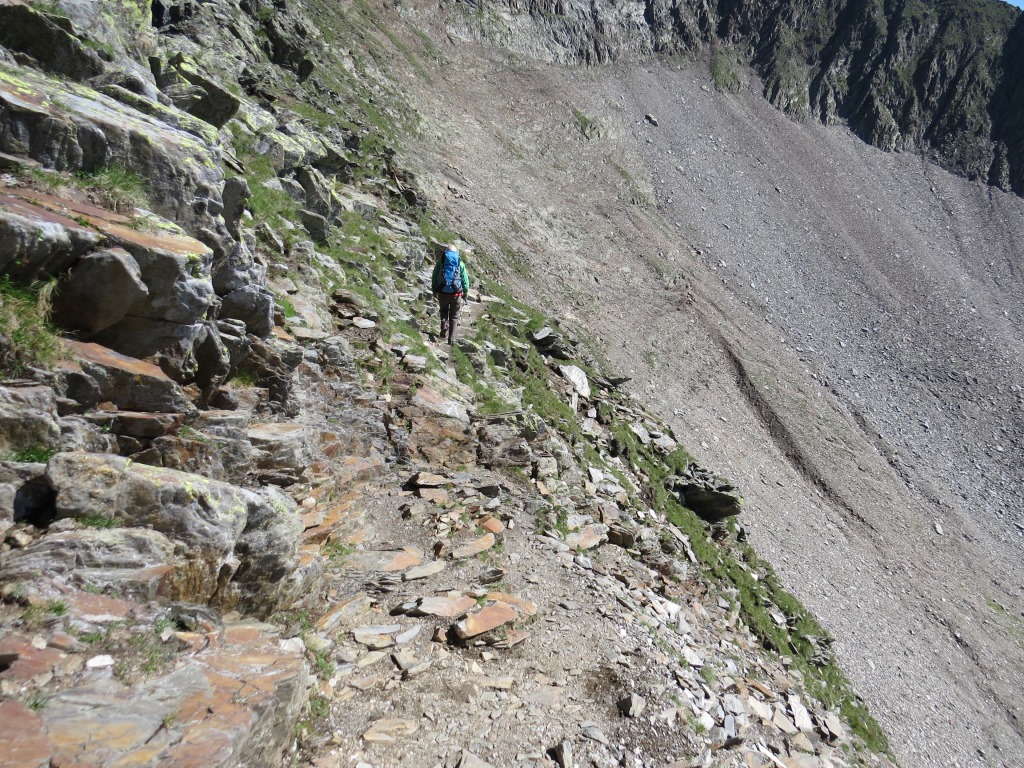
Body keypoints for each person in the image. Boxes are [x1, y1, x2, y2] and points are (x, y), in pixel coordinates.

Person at [431, 245, 470, 344]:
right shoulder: (460, 264)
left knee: (443, 310)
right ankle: (452, 339)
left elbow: (434, 277)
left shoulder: (441, 262)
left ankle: (444, 324)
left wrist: (434, 289)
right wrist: (465, 292)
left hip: (442, 292)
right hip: (456, 294)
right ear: (456, 253)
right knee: (454, 316)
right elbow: (465, 279)